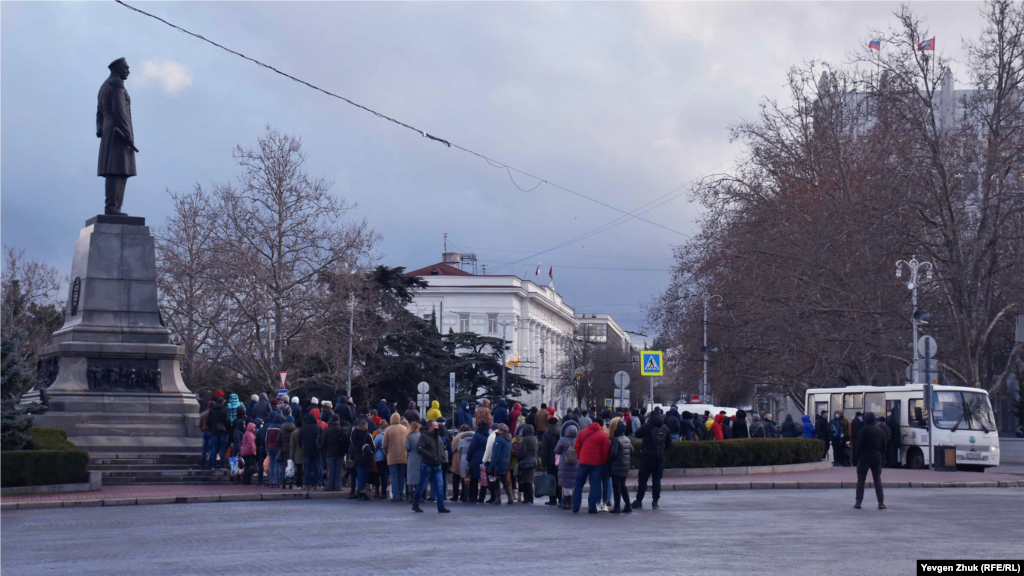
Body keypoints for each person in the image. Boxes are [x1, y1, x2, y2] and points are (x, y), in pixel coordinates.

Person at [633, 411, 671, 510]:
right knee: (657, 480)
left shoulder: (647, 426)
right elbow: (669, 444)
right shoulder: (665, 428)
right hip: (659, 459)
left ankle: (639, 501)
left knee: (642, 480)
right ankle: (655, 502)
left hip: (646, 458)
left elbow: (637, 434)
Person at [412, 420, 451, 513]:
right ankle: (415, 504)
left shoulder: (438, 436)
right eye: (435, 426)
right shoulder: (424, 436)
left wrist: (441, 457)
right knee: (421, 486)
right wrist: (431, 456)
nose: (437, 427)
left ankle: (441, 507)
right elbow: (419, 449)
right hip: (427, 465)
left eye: (437, 425)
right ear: (430, 427)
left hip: (437, 465)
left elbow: (442, 448)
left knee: (440, 487)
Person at [572, 418, 609, 514]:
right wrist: (604, 462)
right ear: (601, 425)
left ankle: (575, 507)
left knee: (579, 484)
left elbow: (577, 446)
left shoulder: (583, 432)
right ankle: (592, 508)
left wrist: (580, 456)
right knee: (594, 485)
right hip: (597, 464)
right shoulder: (603, 435)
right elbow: (605, 451)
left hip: (583, 461)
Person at [853, 412, 887, 509]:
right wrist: (880, 456)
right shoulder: (880, 431)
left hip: (864, 458)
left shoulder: (863, 430)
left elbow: (858, 445)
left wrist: (856, 457)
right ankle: (881, 502)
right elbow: (884, 447)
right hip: (876, 458)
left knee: (861, 479)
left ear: (866, 420)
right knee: (877, 480)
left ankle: (858, 502)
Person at [606, 418, 633, 514]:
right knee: (623, 486)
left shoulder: (616, 440)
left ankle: (617, 506)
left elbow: (613, 454)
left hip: (617, 467)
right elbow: (632, 451)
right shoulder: (627, 439)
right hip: (625, 466)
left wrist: (608, 461)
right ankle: (628, 505)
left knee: (616, 487)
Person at [382, 412, 409, 501]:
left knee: (394, 476)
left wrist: (386, 452)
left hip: (392, 456)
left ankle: (396, 495)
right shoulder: (405, 429)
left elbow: (384, 444)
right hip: (403, 455)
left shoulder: (388, 430)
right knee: (401, 476)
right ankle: (401, 494)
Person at [486, 423, 514, 505]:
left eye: (498, 429)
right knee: (505, 481)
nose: (497, 430)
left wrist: (491, 466)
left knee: (496, 482)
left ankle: (498, 499)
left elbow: (495, 454)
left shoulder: (499, 439)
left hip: (498, 463)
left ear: (501, 430)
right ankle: (510, 498)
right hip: (505, 463)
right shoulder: (509, 438)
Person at [555, 419, 579, 511]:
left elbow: (556, 451)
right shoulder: (578, 440)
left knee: (565, 484)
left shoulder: (563, 440)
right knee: (573, 483)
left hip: (564, 464)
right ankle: (571, 502)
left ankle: (565, 502)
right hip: (576, 463)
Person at [320, 414, 349, 491]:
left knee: (331, 470)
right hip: (340, 453)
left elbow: (323, 443)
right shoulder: (342, 430)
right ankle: (337, 486)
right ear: (338, 421)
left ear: (331, 421)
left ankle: (330, 486)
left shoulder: (326, 431)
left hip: (329, 453)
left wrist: (324, 451)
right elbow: (346, 442)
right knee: (338, 470)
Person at [465, 420, 490, 504]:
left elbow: (472, 448)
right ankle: (482, 498)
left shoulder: (477, 435)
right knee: (483, 479)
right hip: (485, 460)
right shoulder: (489, 436)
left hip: (476, 459)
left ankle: (473, 497)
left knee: (474, 479)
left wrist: (468, 458)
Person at [349, 420, 374, 501]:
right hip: (366, 458)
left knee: (360, 476)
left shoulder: (354, 435)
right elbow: (373, 447)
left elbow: (353, 446)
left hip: (357, 458)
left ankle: (360, 492)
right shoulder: (367, 435)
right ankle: (362, 492)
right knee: (365, 476)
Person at [206, 392, 230, 470]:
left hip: (214, 431)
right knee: (222, 449)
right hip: (222, 431)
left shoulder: (212, 410)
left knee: (214, 448)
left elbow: (208, 421)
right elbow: (227, 421)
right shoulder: (225, 409)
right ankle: (221, 466)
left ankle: (213, 466)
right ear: (223, 402)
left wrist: (212, 427)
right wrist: (227, 429)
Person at [516, 423, 538, 504]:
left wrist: (518, 458)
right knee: (529, 480)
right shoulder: (534, 439)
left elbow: (522, 451)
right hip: (533, 461)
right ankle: (530, 498)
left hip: (525, 462)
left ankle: (527, 498)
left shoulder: (525, 439)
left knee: (525, 481)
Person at [299, 412, 321, 489]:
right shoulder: (318, 428)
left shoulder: (303, 429)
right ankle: (316, 484)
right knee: (316, 468)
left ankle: (307, 484)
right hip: (316, 451)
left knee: (307, 468)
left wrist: (302, 448)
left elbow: (299, 440)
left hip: (307, 450)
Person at [451, 424, 473, 502]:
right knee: (466, 477)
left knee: (456, 478)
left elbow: (453, 448)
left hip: (458, 459)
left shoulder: (458, 437)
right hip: (470, 459)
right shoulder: (474, 437)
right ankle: (464, 495)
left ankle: (455, 495)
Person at [403, 422, 422, 502]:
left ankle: (411, 495)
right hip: (419, 457)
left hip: (411, 457)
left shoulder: (409, 436)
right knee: (419, 476)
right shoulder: (420, 435)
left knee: (410, 477)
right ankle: (419, 495)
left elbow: (406, 446)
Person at [279, 416, 297, 489]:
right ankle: (290, 482)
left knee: (284, 467)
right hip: (292, 450)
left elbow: (278, 439)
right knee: (291, 466)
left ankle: (283, 482)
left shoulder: (282, 429)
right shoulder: (294, 430)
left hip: (284, 450)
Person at [265, 413, 283, 487]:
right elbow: (281, 439)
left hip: (270, 447)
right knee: (277, 465)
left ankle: (271, 481)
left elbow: (266, 439)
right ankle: (276, 481)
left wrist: (267, 448)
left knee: (271, 465)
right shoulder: (280, 427)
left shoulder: (269, 427)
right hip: (277, 448)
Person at [254, 418, 267, 486]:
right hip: (267, 448)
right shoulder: (268, 429)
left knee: (260, 465)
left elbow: (257, 442)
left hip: (260, 448)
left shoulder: (259, 431)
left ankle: (259, 480)